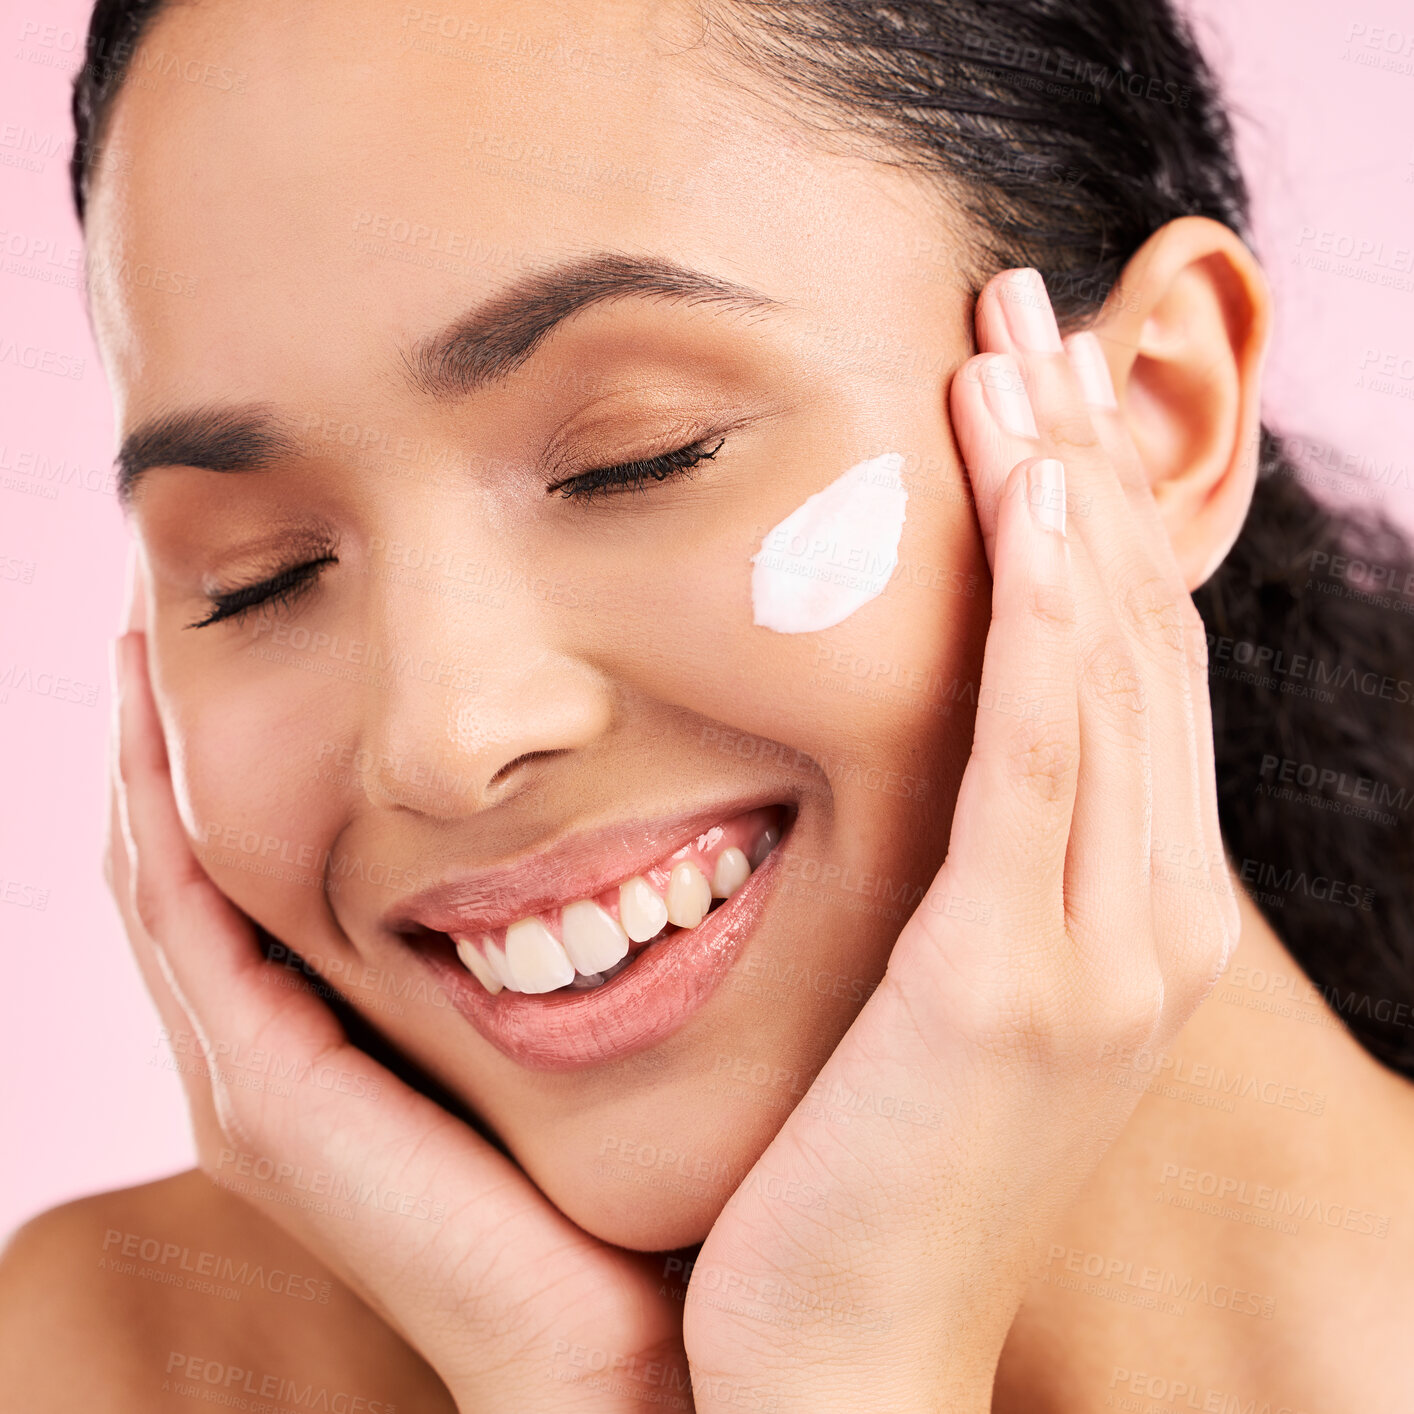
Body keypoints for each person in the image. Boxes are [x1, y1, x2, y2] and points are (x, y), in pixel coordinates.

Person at [3, 0, 1413, 1408]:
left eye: (638, 457)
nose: (443, 736)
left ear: (1157, 417)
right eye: (261, 577)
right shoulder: (101, 1362)